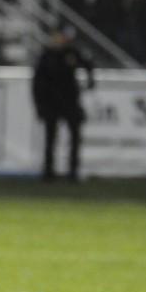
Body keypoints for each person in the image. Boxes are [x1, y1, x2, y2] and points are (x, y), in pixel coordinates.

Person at [31, 28, 95, 182]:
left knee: (74, 137)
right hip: (51, 102)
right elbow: (37, 83)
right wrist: (40, 104)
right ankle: (48, 172)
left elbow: (88, 65)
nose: (60, 39)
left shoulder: (71, 52)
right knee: (51, 138)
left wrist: (91, 80)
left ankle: (73, 171)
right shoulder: (46, 55)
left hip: (70, 101)